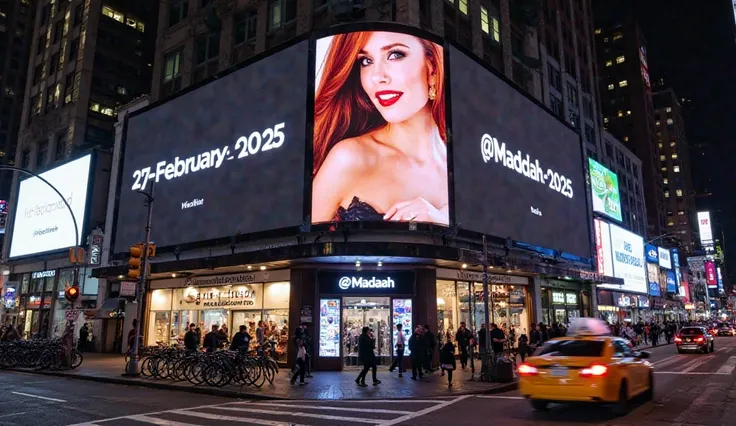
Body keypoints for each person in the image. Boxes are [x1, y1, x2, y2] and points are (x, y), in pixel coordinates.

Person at [312, 31, 448, 225]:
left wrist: (444, 220)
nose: (377, 77)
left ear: (432, 68)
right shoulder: (349, 158)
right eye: (366, 61)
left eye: (395, 55)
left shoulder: (461, 170)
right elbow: (294, 246)